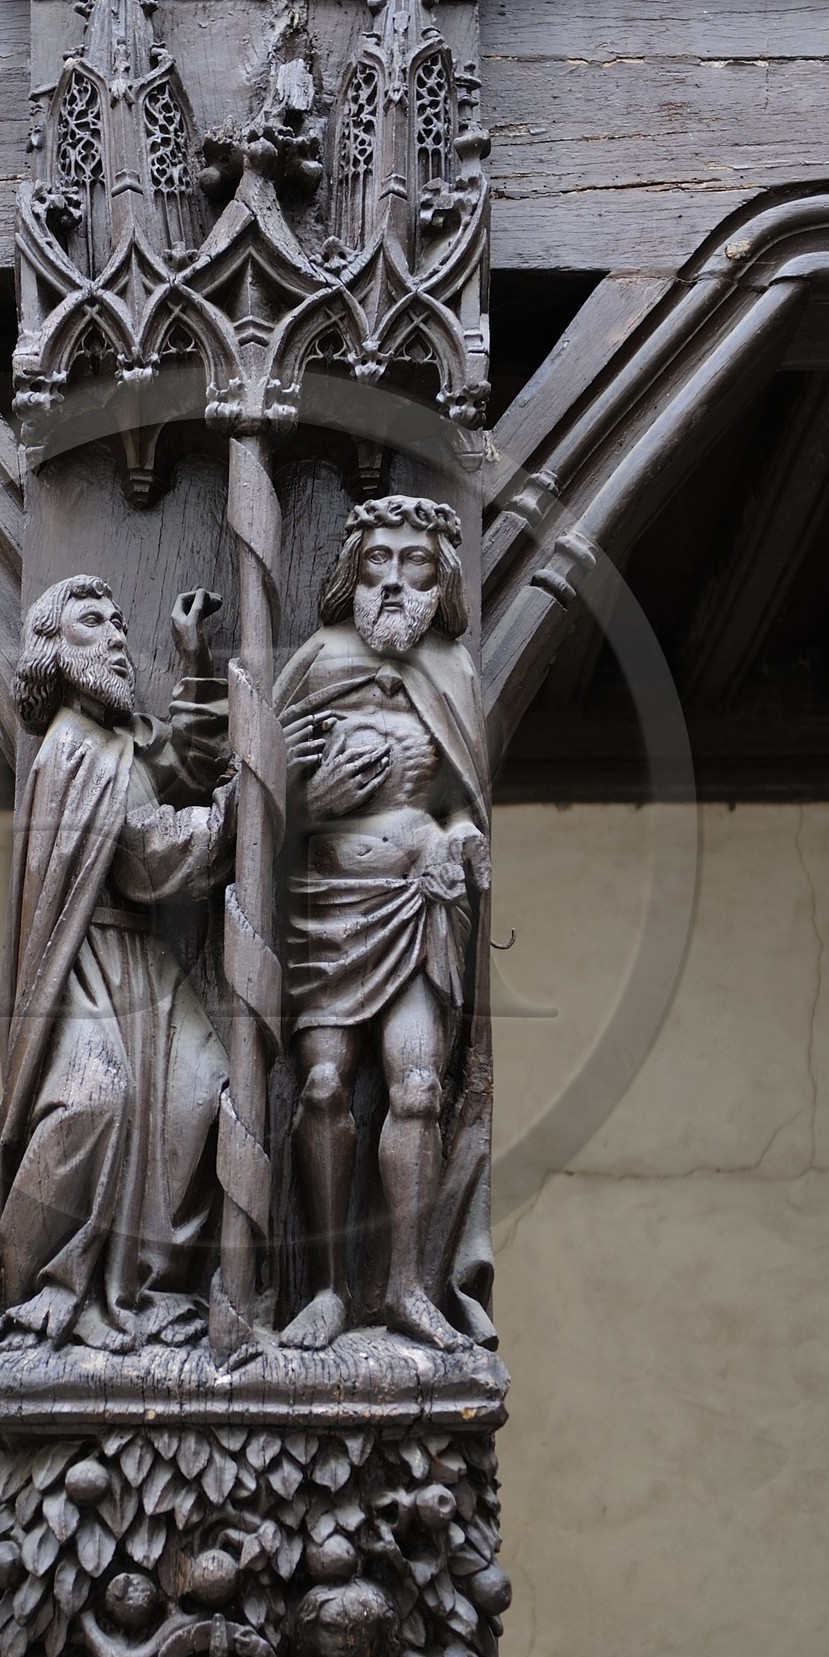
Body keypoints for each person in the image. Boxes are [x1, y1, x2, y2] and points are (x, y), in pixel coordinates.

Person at [0, 577, 234, 1355]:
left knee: (204, 1094)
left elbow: (183, 758)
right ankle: (31, 1291)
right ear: (54, 651)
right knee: (92, 1103)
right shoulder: (69, 748)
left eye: (120, 621)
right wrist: (237, 815)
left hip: (140, 963)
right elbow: (145, 856)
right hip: (85, 962)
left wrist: (195, 665)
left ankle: (151, 1291)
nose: (117, 635)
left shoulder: (116, 740)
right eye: (93, 622)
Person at [277, 496, 493, 1352]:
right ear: (350, 575)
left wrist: (463, 835)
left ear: (442, 583)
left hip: (416, 900)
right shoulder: (318, 660)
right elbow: (254, 798)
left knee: (417, 1089)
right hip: (328, 909)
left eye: (415, 565)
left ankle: (405, 1284)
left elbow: (460, 797)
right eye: (376, 564)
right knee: (324, 1085)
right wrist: (312, 799)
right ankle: (330, 1286)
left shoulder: (455, 675)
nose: (394, 583)